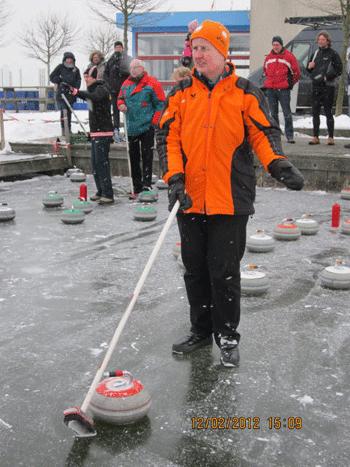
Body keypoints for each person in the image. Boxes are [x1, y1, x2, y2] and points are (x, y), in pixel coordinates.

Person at [156, 20, 304, 368]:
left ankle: (226, 335)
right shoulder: (180, 94)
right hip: (189, 197)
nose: (199, 54)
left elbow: (263, 134)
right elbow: (168, 139)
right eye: (195, 48)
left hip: (230, 198)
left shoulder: (245, 92)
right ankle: (200, 330)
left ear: (223, 53)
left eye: (206, 48)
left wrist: (277, 164)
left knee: (223, 271)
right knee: (194, 269)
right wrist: (175, 179)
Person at [118, 59, 165, 197]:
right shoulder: (126, 84)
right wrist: (120, 104)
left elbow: (161, 103)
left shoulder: (152, 83)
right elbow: (120, 98)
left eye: (136, 67)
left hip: (146, 126)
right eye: (131, 67)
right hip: (131, 126)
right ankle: (136, 186)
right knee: (133, 157)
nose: (133, 70)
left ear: (142, 69)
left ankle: (146, 185)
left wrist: (154, 121)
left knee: (147, 156)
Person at [69, 66, 114, 205]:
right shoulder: (90, 90)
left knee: (102, 163)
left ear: (94, 77)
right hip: (95, 131)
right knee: (95, 163)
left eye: (87, 77)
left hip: (104, 131)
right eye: (85, 77)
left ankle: (108, 193)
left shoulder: (101, 88)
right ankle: (100, 190)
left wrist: (78, 93)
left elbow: (95, 97)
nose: (86, 80)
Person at [307, 31, 342, 146]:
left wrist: (328, 76)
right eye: (319, 39)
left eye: (323, 39)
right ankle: (315, 137)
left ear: (327, 41)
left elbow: (339, 69)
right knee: (315, 112)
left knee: (328, 112)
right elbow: (309, 69)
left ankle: (331, 137)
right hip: (316, 86)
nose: (321, 41)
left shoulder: (333, 53)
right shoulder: (316, 53)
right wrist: (309, 67)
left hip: (328, 87)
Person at [263, 36, 300, 144]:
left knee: (286, 113)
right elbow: (265, 71)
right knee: (273, 114)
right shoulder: (268, 57)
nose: (275, 47)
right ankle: (276, 135)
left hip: (283, 90)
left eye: (277, 45)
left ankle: (289, 135)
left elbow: (296, 72)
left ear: (281, 45)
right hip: (271, 89)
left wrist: (290, 84)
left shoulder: (289, 56)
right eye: (274, 44)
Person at [103, 41, 132, 143]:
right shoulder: (110, 60)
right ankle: (116, 130)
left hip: (125, 90)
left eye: (120, 47)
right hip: (114, 90)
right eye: (116, 47)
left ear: (122, 48)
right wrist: (109, 85)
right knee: (115, 111)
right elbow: (105, 74)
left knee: (127, 109)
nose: (118, 49)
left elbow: (131, 72)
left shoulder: (127, 59)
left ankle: (129, 130)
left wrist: (121, 70)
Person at [50, 52, 81, 136]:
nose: (69, 60)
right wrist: (59, 80)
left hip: (71, 94)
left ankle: (68, 129)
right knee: (64, 111)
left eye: (71, 59)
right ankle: (64, 129)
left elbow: (78, 80)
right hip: (61, 94)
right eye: (67, 59)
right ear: (65, 59)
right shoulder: (60, 67)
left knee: (69, 111)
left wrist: (76, 89)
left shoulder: (76, 69)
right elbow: (52, 77)